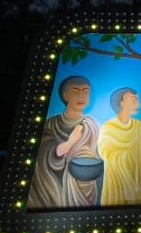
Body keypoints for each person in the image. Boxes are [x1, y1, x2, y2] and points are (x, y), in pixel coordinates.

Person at [28, 75, 101, 208]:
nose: (81, 96)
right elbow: (44, 155)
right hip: (53, 184)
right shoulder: (51, 124)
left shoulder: (91, 124)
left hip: (83, 183)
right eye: (76, 91)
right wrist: (70, 142)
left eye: (86, 91)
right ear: (65, 95)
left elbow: (90, 155)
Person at [97, 87, 141, 206]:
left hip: (139, 187)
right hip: (117, 185)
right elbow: (105, 152)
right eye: (133, 100)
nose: (138, 104)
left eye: (137, 100)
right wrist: (130, 158)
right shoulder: (109, 128)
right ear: (121, 103)